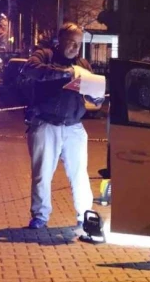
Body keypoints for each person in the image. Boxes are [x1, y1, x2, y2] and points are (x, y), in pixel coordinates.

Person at [22, 22, 98, 231]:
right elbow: (30, 69)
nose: (75, 48)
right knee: (42, 173)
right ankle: (40, 216)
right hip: (46, 123)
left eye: (79, 44)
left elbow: (92, 93)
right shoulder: (45, 55)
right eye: (71, 42)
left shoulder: (82, 64)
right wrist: (65, 73)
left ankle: (84, 214)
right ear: (60, 40)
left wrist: (97, 96)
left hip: (74, 126)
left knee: (79, 174)